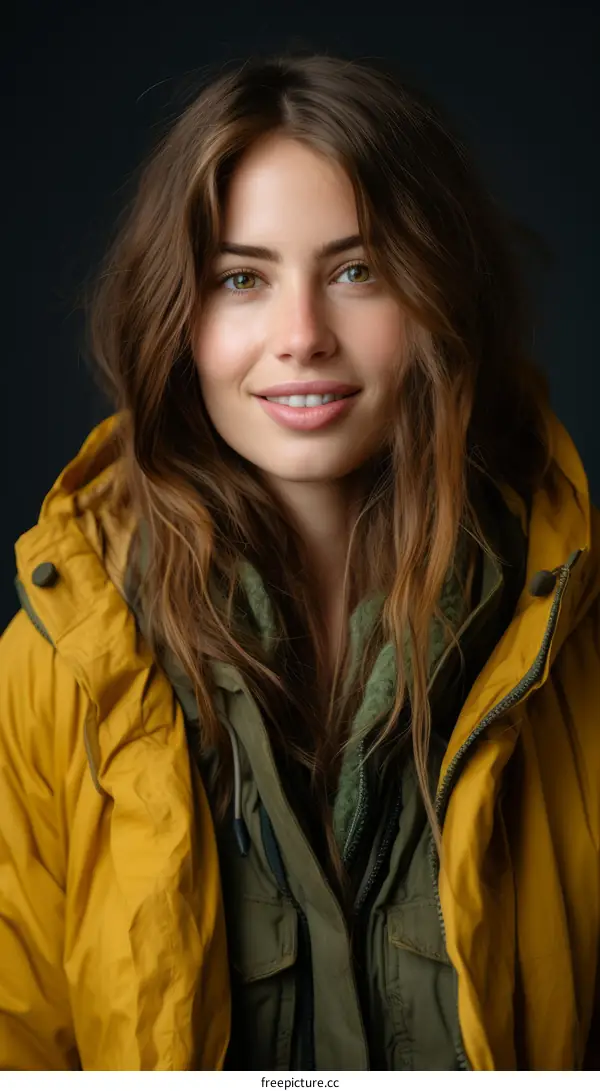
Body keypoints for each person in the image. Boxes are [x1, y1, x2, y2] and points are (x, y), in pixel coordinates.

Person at [0, 48, 598, 1073]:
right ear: (177, 317)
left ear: (439, 294)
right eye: (242, 278)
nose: (302, 335)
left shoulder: (576, 650)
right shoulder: (58, 666)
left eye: (357, 270)